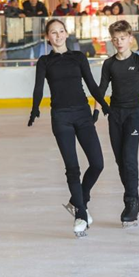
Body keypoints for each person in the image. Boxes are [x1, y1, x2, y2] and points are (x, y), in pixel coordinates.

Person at [28, 19, 110, 238]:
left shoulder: (78, 57)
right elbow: (38, 88)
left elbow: (92, 84)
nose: (58, 35)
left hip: (83, 114)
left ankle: (77, 201)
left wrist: (104, 104)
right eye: (53, 33)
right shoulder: (45, 62)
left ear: (66, 33)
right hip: (61, 117)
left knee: (98, 163)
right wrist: (35, 108)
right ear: (48, 37)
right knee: (72, 168)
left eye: (61, 31)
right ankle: (81, 215)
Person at [95, 20, 139, 227]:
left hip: (134, 113)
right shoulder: (109, 64)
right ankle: (133, 196)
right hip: (115, 114)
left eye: (122, 38)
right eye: (115, 39)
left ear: (130, 38)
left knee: (129, 158)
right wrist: (96, 111)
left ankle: (131, 202)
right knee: (119, 160)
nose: (119, 42)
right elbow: (102, 88)